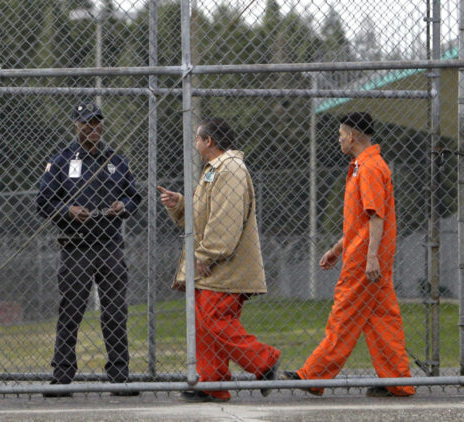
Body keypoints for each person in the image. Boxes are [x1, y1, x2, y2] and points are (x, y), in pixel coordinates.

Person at [281, 112, 415, 398]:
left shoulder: (368, 168)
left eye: (341, 133)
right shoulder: (363, 165)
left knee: (343, 316)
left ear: (352, 136)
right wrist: (336, 249)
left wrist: (371, 258)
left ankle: (312, 377)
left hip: (364, 259)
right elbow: (361, 222)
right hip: (363, 253)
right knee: (382, 319)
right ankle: (398, 381)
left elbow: (376, 217)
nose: (339, 138)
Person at [158, 118, 280, 403]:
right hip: (212, 266)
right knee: (205, 323)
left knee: (215, 319)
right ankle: (212, 382)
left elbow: (225, 221)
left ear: (208, 141)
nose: (195, 144)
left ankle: (265, 361)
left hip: (223, 267)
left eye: (197, 138)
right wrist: (180, 205)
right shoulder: (215, 170)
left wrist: (205, 255)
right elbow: (204, 215)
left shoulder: (230, 170)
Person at [36, 101, 141, 397]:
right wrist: (68, 210)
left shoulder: (115, 160)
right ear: (76, 125)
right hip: (76, 248)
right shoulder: (61, 161)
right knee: (71, 312)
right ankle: (62, 377)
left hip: (110, 247)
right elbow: (43, 202)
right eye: (87, 123)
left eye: (97, 123)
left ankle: (120, 376)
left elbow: (134, 196)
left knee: (115, 313)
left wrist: (123, 206)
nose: (94, 128)